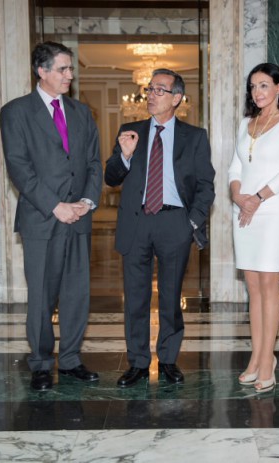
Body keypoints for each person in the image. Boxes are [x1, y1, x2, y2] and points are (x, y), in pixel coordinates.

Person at [0, 42, 103, 391]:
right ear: (41, 71)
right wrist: (55, 206)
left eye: (71, 69)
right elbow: (19, 167)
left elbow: (92, 162)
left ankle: (71, 359)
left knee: (77, 294)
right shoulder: (15, 112)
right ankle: (42, 362)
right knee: (42, 295)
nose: (69, 76)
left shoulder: (81, 112)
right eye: (62, 69)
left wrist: (86, 201)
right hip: (42, 219)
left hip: (79, 217)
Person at [105, 69, 215, 388]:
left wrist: (191, 222)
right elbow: (111, 177)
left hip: (174, 222)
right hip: (136, 222)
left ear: (177, 98)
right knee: (136, 298)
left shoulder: (194, 137)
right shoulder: (130, 131)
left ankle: (167, 359)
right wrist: (124, 156)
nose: (151, 95)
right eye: (149, 88)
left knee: (170, 297)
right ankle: (138, 362)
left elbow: (206, 185)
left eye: (159, 90)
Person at [228, 63, 279, 393]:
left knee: (269, 283)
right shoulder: (247, 122)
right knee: (252, 286)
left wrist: (257, 198)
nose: (257, 92)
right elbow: (234, 166)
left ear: (278, 87)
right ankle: (257, 358)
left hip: (271, 208)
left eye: (263, 85)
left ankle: (267, 358)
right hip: (242, 208)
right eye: (252, 87)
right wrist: (238, 196)